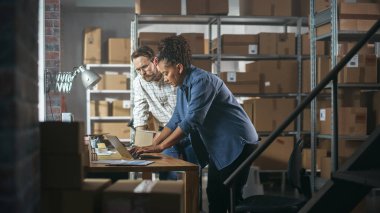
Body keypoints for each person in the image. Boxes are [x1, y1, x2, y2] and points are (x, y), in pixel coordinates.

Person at [132, 35, 260, 213]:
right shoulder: (183, 84)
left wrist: (160, 147)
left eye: (165, 73)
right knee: (215, 195)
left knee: (228, 197)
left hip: (237, 142)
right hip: (220, 145)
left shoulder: (201, 81)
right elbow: (176, 118)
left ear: (179, 67)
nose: (165, 78)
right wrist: (152, 145)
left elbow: (191, 121)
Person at [131, 46, 198, 180]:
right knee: (167, 173)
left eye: (145, 67)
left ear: (154, 61)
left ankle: (193, 201)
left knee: (193, 175)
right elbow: (140, 112)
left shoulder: (173, 75)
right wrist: (139, 144)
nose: (142, 73)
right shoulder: (138, 83)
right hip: (165, 132)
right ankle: (168, 200)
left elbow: (186, 114)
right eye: (138, 70)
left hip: (190, 131)